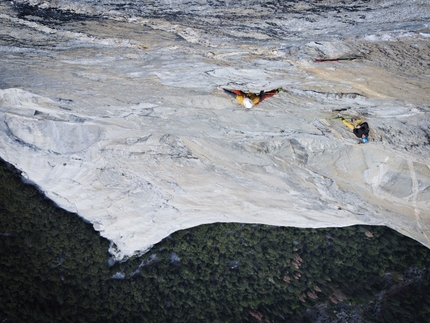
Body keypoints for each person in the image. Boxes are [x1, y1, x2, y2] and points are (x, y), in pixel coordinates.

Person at [218, 87, 282, 109]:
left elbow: (231, 94)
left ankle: (276, 91)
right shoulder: (255, 100)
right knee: (265, 95)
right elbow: (262, 94)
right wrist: (262, 89)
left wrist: (223, 89)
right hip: (252, 100)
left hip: (252, 99)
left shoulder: (242, 99)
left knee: (265, 95)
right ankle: (277, 91)